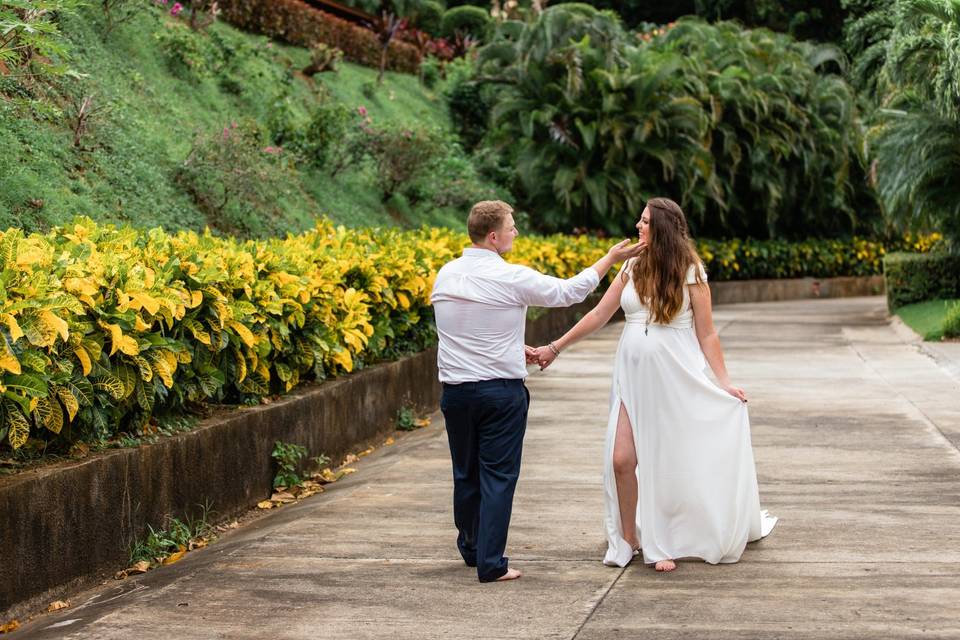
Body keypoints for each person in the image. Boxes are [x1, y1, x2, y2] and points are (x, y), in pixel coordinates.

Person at [531, 197, 777, 572]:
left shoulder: (691, 270)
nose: (637, 226)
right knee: (622, 459)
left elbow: (707, 334)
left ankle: (663, 541)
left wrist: (723, 382)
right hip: (631, 376)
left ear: (661, 227)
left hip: (674, 377)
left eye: (644, 221)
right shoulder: (631, 265)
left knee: (668, 461)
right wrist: (555, 347)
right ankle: (628, 538)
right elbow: (600, 313)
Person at [430, 200, 643, 582]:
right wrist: (609, 259)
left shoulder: (445, 276)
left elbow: (467, 330)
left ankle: (472, 547)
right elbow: (570, 292)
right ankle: (491, 564)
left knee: (466, 473)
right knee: (498, 476)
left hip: (456, 393)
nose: (516, 232)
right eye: (511, 227)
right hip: (499, 395)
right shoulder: (510, 278)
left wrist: (513, 348)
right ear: (493, 237)